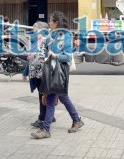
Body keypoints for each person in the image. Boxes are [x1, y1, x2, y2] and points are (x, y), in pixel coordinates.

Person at [31, 11, 84, 140]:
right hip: (51, 70)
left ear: (56, 23)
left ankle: (46, 129)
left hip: (60, 70)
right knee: (60, 97)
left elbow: (67, 56)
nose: (49, 23)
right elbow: (42, 44)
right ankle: (76, 120)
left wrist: (55, 56)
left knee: (54, 98)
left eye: (50, 21)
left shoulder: (65, 37)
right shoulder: (52, 35)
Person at [24, 21, 56, 128]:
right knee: (42, 95)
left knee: (43, 96)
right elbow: (30, 60)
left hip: (44, 73)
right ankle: (49, 115)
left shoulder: (47, 41)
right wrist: (25, 72)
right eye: (34, 30)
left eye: (36, 30)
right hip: (35, 74)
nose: (34, 32)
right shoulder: (36, 42)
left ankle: (42, 118)